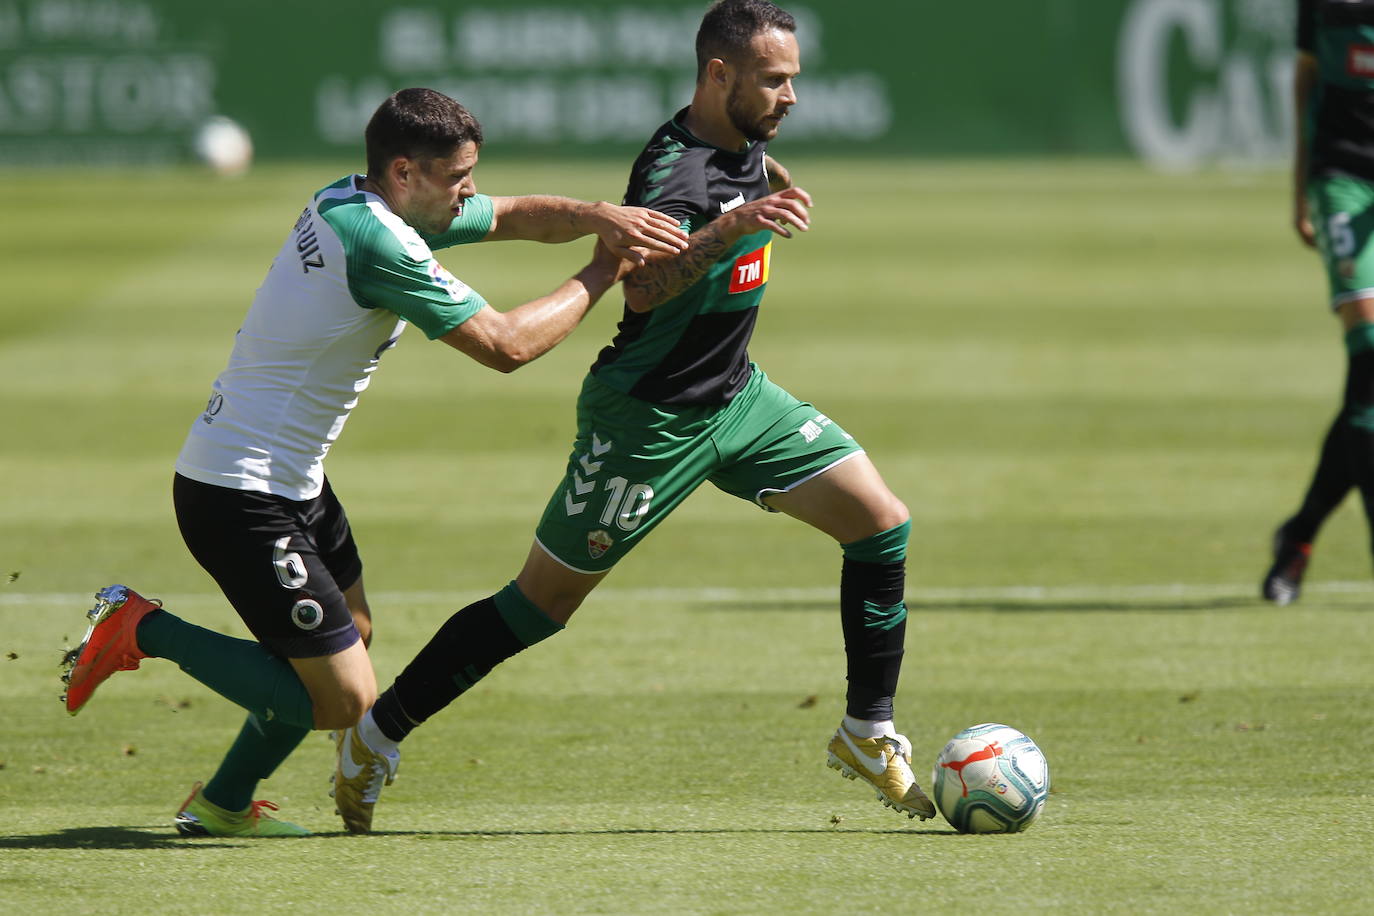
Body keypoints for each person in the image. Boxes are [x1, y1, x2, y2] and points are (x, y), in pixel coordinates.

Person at [333, 0, 934, 834]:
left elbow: (750, 178)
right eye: (775, 80)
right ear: (719, 76)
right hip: (646, 421)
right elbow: (642, 285)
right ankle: (375, 735)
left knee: (882, 525)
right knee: (537, 607)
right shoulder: (678, 175)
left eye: (793, 78)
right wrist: (737, 225)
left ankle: (867, 731)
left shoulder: (743, 138)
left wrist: (771, 189)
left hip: (737, 396)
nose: (790, 96)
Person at [59, 87, 689, 837]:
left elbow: (516, 214)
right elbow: (506, 345)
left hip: (292, 481)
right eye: (458, 180)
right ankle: (137, 625)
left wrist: (596, 216)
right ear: (403, 172)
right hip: (238, 492)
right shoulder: (379, 242)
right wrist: (603, 270)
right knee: (342, 701)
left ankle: (222, 804)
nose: (471, 193)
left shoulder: (354, 200)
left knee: (349, 638)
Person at [1263, 0, 1374, 604]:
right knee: (1371, 351)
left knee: (1368, 387)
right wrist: (1300, 186)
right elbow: (1308, 75)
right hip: (1345, 176)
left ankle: (1300, 535)